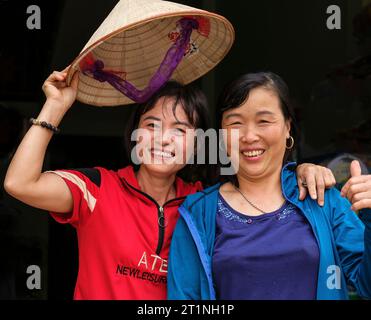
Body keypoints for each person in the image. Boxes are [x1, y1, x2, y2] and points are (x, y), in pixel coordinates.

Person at [4, 68, 335, 300]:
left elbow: (265, 184)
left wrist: (302, 169)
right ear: (135, 133)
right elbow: (21, 183)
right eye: (151, 124)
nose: (163, 139)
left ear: (198, 142)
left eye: (179, 129)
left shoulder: (206, 206)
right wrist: (55, 106)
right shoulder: (97, 189)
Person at [167, 72, 371, 300]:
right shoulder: (199, 213)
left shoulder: (322, 198)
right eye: (235, 122)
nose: (249, 135)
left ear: (287, 128)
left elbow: (366, 285)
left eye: (264, 121)